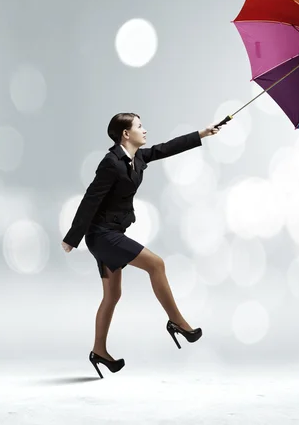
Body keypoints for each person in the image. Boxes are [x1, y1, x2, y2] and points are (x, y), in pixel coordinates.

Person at [61, 113, 222, 378]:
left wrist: (202, 134)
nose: (144, 130)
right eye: (139, 126)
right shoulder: (110, 163)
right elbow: (90, 199)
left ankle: (99, 351)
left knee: (112, 296)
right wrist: (72, 238)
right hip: (102, 235)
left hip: (112, 231)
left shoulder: (138, 158)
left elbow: (167, 148)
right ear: (126, 133)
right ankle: (177, 322)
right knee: (156, 264)